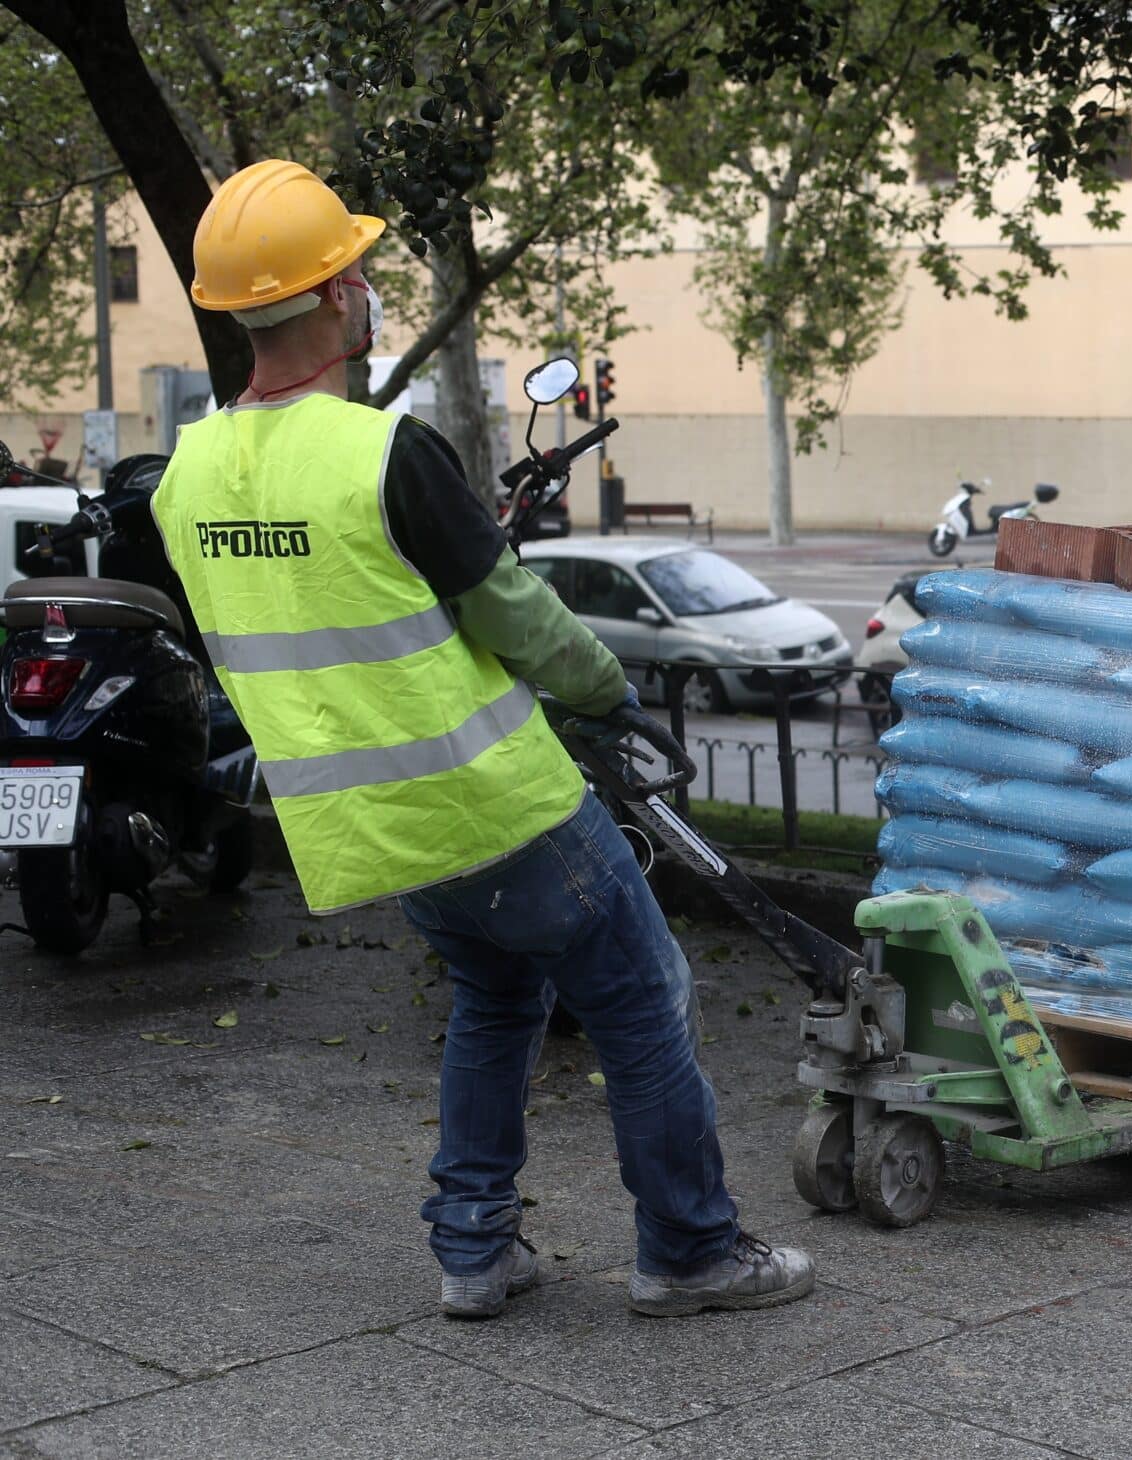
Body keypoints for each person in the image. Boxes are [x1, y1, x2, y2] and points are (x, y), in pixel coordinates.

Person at [153, 159, 814, 1317]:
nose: (366, 287)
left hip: (372, 829)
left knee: (495, 1002)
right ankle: (692, 1249)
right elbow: (516, 614)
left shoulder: (184, 477)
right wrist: (609, 689)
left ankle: (472, 1250)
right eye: (356, 271)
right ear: (340, 295)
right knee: (645, 998)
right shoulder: (383, 452)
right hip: (498, 802)